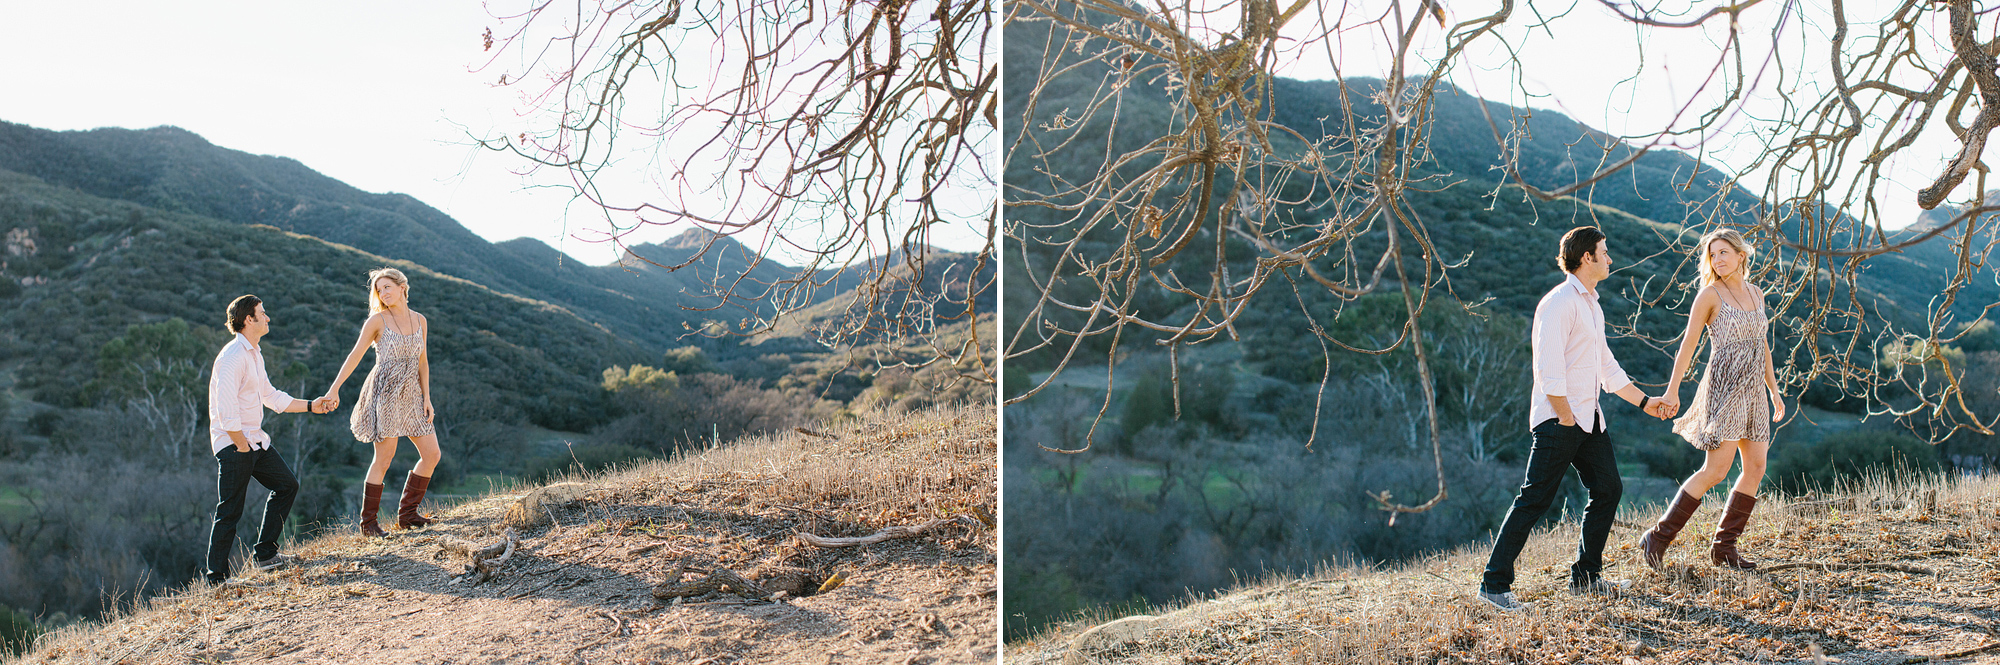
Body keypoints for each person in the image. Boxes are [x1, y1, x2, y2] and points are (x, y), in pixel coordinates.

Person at [1477, 226, 1672, 612]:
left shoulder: (1591, 305)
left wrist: (1645, 401)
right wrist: (1565, 418)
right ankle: (1493, 586)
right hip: (1561, 420)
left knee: (1609, 488)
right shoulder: (1559, 303)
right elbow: (1547, 371)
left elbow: (1607, 368)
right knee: (1534, 500)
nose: (1610, 258)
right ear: (1587, 257)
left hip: (1590, 419)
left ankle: (1586, 578)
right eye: (1605, 251)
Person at [1637, 228, 1784, 570]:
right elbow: (1688, 345)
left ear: (1740, 255)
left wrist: (1774, 390)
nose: (1717, 260)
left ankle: (1724, 549)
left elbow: (1762, 345)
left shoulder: (1757, 293)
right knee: (1716, 470)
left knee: (1756, 468)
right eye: (1712, 255)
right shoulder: (1710, 295)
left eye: (1723, 253)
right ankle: (1657, 537)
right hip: (1725, 389)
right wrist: (1673, 390)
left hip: (1754, 392)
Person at [206, 294, 337, 584]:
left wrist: (311, 405)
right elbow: (226, 411)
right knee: (229, 511)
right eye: (262, 313)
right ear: (248, 319)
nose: (268, 318)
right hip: (235, 444)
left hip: (256, 441)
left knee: (287, 485)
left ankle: (265, 555)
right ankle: (216, 580)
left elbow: (271, 396)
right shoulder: (231, 357)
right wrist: (240, 445)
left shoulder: (254, 353)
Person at [321, 268, 444, 537]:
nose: (383, 293)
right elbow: (355, 355)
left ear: (402, 287)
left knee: (432, 454)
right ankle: (369, 525)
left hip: (412, 393)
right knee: (384, 458)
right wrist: (334, 390)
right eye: (379, 290)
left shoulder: (421, 320)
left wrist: (427, 397)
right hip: (385, 394)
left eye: (388, 287)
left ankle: (408, 515)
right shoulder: (377, 321)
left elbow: (423, 361)